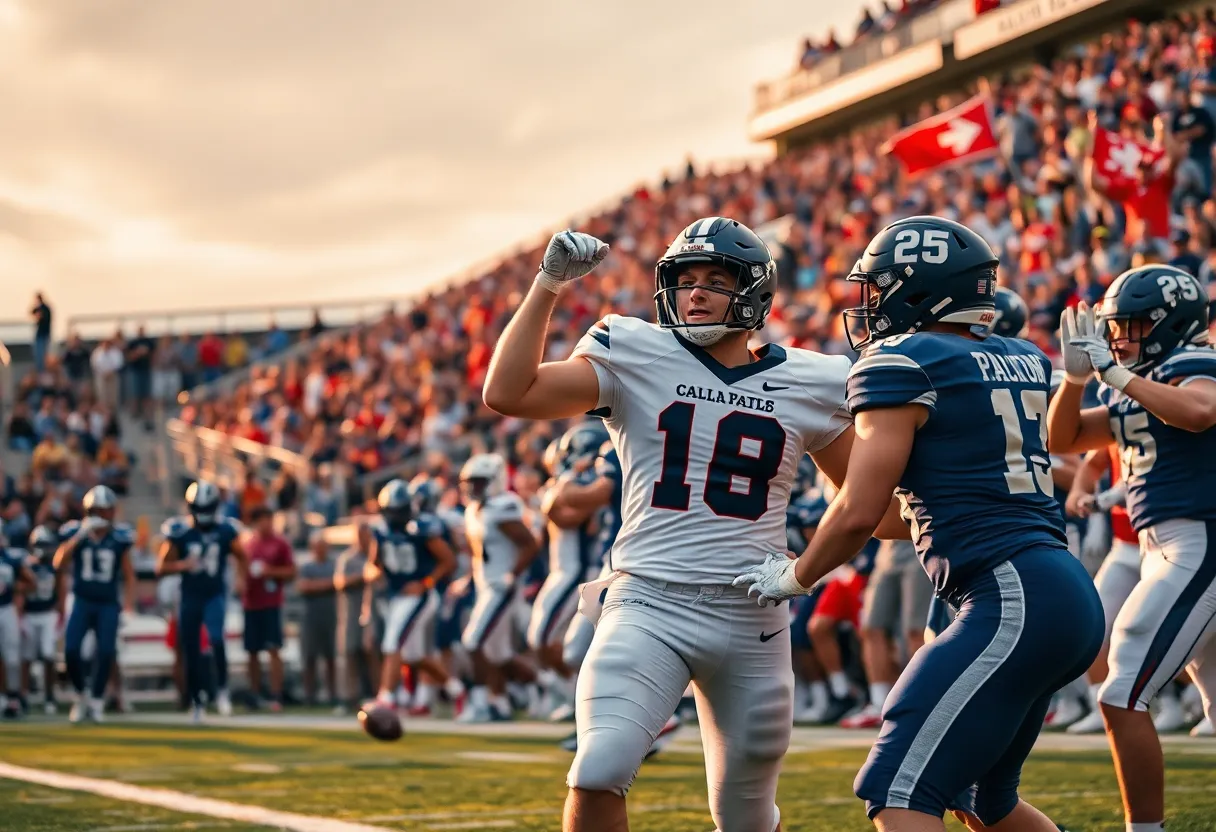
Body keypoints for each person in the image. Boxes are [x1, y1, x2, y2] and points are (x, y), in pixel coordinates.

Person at [482, 221, 905, 832]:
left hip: (752, 608)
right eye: (684, 281)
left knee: (746, 815)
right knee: (599, 766)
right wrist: (547, 286)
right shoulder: (632, 350)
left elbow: (875, 510)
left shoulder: (812, 379)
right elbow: (509, 392)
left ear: (755, 292)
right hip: (647, 600)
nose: (696, 294)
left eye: (715, 280)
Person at [736, 216, 1104, 832]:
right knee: (986, 801)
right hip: (1057, 591)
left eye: (882, 287)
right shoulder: (1021, 357)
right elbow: (889, 521)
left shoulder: (903, 360)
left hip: (1008, 594)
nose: (871, 303)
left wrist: (798, 576)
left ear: (921, 288)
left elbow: (858, 511)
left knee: (898, 787)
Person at [1046, 264, 1216, 832]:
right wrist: (1073, 382)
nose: (1119, 337)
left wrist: (1115, 374)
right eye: (1116, 327)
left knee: (1122, 691)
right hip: (1164, 546)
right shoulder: (1139, 379)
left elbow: (1198, 411)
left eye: (1133, 325)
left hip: (1200, 540)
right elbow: (1063, 439)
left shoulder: (1193, 363)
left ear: (1171, 324)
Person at [528, 421, 607, 719]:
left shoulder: (592, 486)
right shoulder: (572, 483)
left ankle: (576, 696)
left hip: (577, 571)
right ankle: (571, 693)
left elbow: (564, 517)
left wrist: (558, 491)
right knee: (540, 639)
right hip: (561, 569)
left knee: (550, 639)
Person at [457, 454, 539, 723]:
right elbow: (478, 554)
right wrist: (469, 579)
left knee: (473, 641)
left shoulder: (504, 506)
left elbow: (530, 544)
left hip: (501, 587)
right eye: (470, 483)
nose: (473, 488)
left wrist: (511, 575)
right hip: (485, 585)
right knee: (497, 654)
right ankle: (507, 700)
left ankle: (480, 702)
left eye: (479, 482)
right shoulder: (473, 510)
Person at [158, 480, 247, 723]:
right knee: (190, 648)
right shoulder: (180, 531)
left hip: (214, 593)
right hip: (190, 595)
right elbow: (161, 567)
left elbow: (242, 556)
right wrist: (182, 565)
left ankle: (222, 692)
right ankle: (197, 700)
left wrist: (241, 579)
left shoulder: (226, 530)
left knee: (217, 640)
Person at [363, 479, 456, 711]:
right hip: (397, 596)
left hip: (420, 596)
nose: (395, 516)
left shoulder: (422, 529)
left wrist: (425, 583)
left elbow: (449, 561)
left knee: (393, 642)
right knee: (413, 656)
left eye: (400, 511)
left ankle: (386, 698)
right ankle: (457, 690)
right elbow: (374, 564)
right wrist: (374, 573)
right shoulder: (380, 531)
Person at [54, 485, 137, 724]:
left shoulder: (119, 537)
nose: (102, 515)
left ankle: (98, 700)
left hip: (108, 603)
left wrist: (129, 605)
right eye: (98, 510)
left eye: (106, 510)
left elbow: (129, 574)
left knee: (107, 651)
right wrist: (79, 536)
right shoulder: (76, 533)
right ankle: (81, 695)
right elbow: (58, 563)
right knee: (70, 649)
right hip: (82, 600)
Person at [241, 505, 296, 711]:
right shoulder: (248, 544)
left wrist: (269, 571)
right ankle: (254, 693)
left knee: (274, 649)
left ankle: (276, 694)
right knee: (252, 651)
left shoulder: (280, 543)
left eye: (269, 519)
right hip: (251, 602)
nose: (266, 524)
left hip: (271, 602)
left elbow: (291, 571)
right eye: (262, 519)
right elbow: (241, 570)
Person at [21, 525, 63, 714]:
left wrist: (59, 611)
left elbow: (60, 590)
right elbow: (21, 590)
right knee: (27, 657)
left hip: (47, 613)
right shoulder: (26, 564)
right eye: (41, 544)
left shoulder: (55, 566)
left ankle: (49, 697)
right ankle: (23, 695)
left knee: (48, 656)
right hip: (29, 613)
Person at [297, 530, 338, 707]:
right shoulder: (307, 567)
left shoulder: (334, 565)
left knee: (331, 657)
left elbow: (338, 583)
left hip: (330, 615)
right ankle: (309, 695)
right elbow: (303, 587)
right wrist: (328, 584)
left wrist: (318, 585)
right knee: (309, 657)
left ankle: (332, 694)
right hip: (311, 616)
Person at [0, 521, 35, 717]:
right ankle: (4, 697)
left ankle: (14, 696)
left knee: (12, 657)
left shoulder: (11, 558)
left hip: (6, 609)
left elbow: (31, 583)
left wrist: (16, 588)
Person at [30, 293, 52, 373]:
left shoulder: (45, 309)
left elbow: (42, 317)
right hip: (41, 335)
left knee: (42, 355)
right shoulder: (41, 308)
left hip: (43, 335)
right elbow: (32, 312)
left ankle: (42, 370)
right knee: (38, 355)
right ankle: (40, 370)